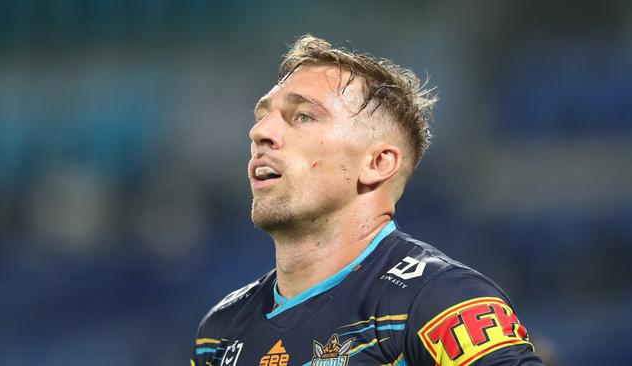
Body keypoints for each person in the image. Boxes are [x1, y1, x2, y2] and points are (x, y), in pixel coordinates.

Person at [191, 35, 543, 366]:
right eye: (263, 116)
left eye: (303, 116)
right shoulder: (220, 333)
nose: (260, 132)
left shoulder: (437, 299)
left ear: (377, 164)